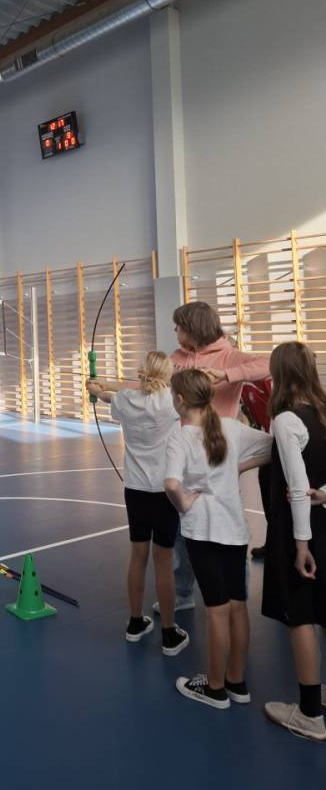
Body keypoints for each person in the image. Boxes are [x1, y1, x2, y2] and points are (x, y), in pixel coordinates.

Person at [164, 369, 272, 709]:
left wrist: (183, 504)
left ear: (180, 400)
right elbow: (274, 446)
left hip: (202, 532)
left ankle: (214, 688)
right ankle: (236, 682)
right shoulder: (231, 427)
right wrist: (240, 465)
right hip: (234, 530)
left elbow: (171, 484)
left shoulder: (180, 437)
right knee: (237, 606)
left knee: (216, 610)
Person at [167, 302, 271, 610]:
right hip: (187, 455)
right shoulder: (177, 357)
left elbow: (270, 363)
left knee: (230, 525)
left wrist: (227, 374)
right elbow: (152, 383)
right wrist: (110, 389)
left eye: (179, 326)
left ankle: (236, 596)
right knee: (181, 532)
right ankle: (183, 593)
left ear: (194, 328)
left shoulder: (229, 355)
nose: (176, 331)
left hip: (218, 456)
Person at [88, 352, 189, 655]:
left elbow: (108, 395)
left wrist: (97, 388)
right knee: (163, 560)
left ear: (142, 372)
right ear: (167, 375)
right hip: (165, 491)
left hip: (135, 490)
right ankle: (169, 633)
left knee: (138, 556)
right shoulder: (172, 401)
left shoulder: (126, 400)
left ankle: (135, 623)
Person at [261, 342, 326, 741]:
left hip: (301, 528)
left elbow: (298, 487)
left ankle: (309, 714)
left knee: (301, 615)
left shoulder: (286, 420)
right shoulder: (323, 411)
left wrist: (302, 545)